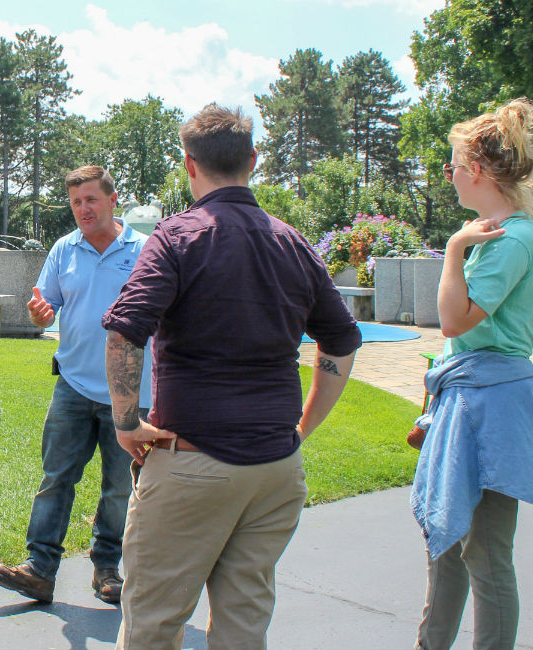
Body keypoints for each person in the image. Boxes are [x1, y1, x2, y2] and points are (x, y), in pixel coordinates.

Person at [101, 103, 362, 650]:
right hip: (274, 470)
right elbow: (341, 340)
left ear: (189, 165)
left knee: (153, 624)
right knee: (244, 627)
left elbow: (126, 332)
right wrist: (302, 429)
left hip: (195, 463)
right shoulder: (293, 243)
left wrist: (126, 423)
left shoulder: (175, 238)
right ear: (253, 160)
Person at [410, 98, 533, 650]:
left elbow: (455, 318)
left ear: (475, 171)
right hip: (472, 401)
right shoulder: (496, 231)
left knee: (485, 552)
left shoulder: (509, 240)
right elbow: (461, 335)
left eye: (452, 165)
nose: (449, 175)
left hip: (494, 409)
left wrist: (453, 250)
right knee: (447, 543)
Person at [0, 166, 152, 605]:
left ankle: (107, 569)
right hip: (74, 386)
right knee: (56, 477)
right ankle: (39, 569)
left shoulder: (145, 250)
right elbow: (48, 305)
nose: (83, 209)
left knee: (119, 487)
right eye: (76, 202)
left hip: (132, 396)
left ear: (114, 200)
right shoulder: (65, 249)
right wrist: (42, 314)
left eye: (91, 200)